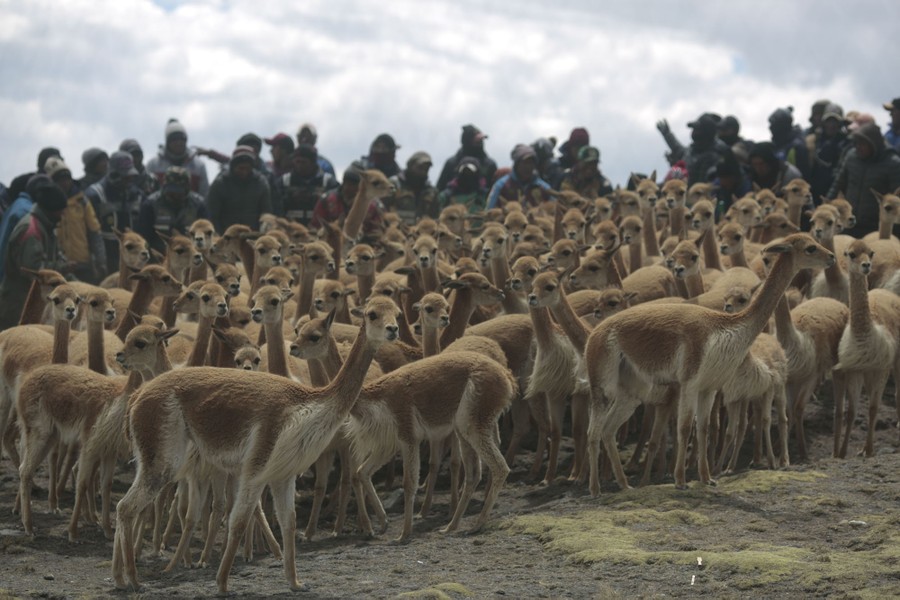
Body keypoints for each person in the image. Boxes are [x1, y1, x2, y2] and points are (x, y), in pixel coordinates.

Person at [0, 175, 69, 330]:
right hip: (18, 304)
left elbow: (56, 257)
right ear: (51, 209)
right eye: (60, 211)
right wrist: (62, 268)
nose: (63, 215)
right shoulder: (32, 231)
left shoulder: (47, 226)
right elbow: (33, 271)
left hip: (32, 301)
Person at [828, 122, 900, 238]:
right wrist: (826, 205)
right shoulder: (851, 156)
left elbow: (897, 200)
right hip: (847, 223)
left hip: (875, 229)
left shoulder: (893, 163)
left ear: (873, 144)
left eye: (862, 143)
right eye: (856, 143)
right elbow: (838, 184)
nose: (858, 146)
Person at [83, 150, 146, 274]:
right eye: (125, 177)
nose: (129, 180)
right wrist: (98, 261)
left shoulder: (137, 195)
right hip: (105, 258)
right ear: (113, 174)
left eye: (130, 176)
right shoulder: (95, 195)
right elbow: (90, 232)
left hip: (133, 258)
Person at [45, 157, 105, 283]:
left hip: (83, 264)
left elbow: (94, 232)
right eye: (60, 180)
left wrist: (101, 261)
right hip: (59, 267)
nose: (65, 183)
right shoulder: (47, 206)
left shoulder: (82, 201)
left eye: (67, 179)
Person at [138, 166, 209, 256]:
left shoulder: (199, 205)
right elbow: (143, 237)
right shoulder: (150, 204)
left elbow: (207, 236)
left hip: (191, 258)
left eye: (179, 191)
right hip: (158, 257)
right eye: (171, 191)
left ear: (187, 189)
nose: (175, 195)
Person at [207, 145, 272, 232]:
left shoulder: (260, 183)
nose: (244, 172)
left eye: (247, 168)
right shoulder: (221, 183)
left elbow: (266, 212)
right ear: (233, 166)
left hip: (253, 236)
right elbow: (212, 215)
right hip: (227, 237)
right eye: (241, 168)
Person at [311, 165, 385, 241]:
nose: (347, 187)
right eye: (345, 183)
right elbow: (316, 226)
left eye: (352, 184)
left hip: (363, 247)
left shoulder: (374, 206)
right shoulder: (327, 200)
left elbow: (377, 233)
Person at [657, 113, 732, 188]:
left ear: (705, 133)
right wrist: (667, 134)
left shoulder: (712, 156)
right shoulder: (695, 148)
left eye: (697, 130)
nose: (693, 132)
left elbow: (697, 185)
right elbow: (680, 151)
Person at [273, 144, 338, 225]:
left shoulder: (328, 181)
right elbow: (275, 207)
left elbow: (337, 207)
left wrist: (320, 199)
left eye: (303, 162)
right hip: (291, 231)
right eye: (297, 162)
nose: (299, 165)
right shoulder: (284, 181)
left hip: (320, 231)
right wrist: (290, 198)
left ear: (313, 162)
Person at [146, 118, 210, 198]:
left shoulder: (198, 166)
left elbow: (204, 195)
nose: (179, 143)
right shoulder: (154, 165)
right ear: (168, 142)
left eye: (182, 139)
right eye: (174, 139)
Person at [487, 144, 553, 210]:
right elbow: (489, 210)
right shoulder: (501, 185)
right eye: (525, 163)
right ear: (516, 164)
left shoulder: (543, 187)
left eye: (531, 163)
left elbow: (556, 208)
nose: (528, 167)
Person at [436, 124, 498, 191]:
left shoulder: (490, 165)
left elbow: (495, 191)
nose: (480, 144)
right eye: (477, 141)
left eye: (481, 141)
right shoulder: (452, 164)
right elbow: (440, 188)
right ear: (467, 142)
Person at [386, 151, 440, 224]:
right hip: (396, 231)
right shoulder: (394, 184)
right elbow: (382, 211)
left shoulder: (431, 192)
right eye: (420, 168)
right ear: (410, 165)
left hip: (421, 233)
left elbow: (435, 218)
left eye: (426, 169)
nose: (423, 172)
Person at [809, 103, 849, 201]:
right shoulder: (814, 140)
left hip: (834, 192)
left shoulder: (846, 143)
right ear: (823, 123)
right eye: (828, 121)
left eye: (835, 121)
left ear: (840, 124)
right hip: (814, 190)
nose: (831, 125)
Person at [768, 107, 811, 180]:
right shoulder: (776, 145)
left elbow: (803, 176)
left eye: (773, 124)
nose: (770, 127)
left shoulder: (797, 147)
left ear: (782, 125)